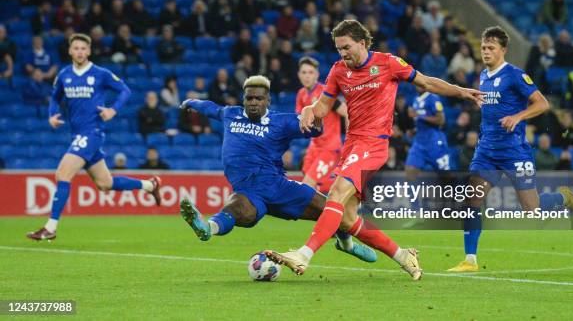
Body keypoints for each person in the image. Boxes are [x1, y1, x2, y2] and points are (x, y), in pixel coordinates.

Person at [265, 19, 485, 280]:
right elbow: (323, 107)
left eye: (346, 47)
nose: (342, 53)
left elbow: (425, 83)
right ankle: (403, 255)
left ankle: (303, 254)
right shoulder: (337, 71)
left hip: (374, 144)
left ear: (361, 42)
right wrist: (310, 110)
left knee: (335, 194)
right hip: (352, 146)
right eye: (338, 49)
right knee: (346, 219)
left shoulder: (388, 63)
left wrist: (460, 91)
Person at [178, 75, 376, 264]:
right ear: (244, 99)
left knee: (333, 211)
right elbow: (211, 108)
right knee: (236, 209)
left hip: (279, 188)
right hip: (248, 191)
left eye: (259, 98)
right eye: (249, 98)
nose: (253, 102)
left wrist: (317, 120)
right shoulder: (231, 114)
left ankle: (346, 245)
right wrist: (191, 102)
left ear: (268, 101)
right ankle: (207, 228)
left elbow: (314, 129)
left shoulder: (281, 122)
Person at [447, 26, 573, 272]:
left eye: (491, 48)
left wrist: (518, 116)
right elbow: (492, 107)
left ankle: (564, 197)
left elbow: (542, 103)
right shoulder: (484, 76)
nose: (486, 52)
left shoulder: (515, 75)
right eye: (483, 47)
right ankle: (470, 260)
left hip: (515, 151)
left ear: (503, 50)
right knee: (471, 200)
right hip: (487, 151)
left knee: (532, 209)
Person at [26, 33, 161, 241]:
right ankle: (149, 185)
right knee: (105, 183)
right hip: (78, 134)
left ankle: (50, 227)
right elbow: (55, 97)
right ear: (70, 51)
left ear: (88, 51)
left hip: (92, 133)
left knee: (62, 173)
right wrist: (51, 114)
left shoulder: (100, 74)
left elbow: (125, 91)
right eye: (76, 48)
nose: (79, 51)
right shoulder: (64, 75)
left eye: (83, 48)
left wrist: (113, 110)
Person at [295, 57, 347, 194]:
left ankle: (349, 192)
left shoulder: (325, 93)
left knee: (307, 185)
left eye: (310, 72)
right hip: (314, 147)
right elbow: (300, 118)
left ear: (317, 74)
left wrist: (350, 139)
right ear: (299, 75)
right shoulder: (301, 94)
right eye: (304, 72)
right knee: (311, 185)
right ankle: (343, 192)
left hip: (329, 148)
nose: (307, 76)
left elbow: (347, 112)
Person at [405, 86, 450, 180]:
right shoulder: (415, 99)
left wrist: (419, 115)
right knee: (410, 171)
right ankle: (411, 194)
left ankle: (455, 193)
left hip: (434, 142)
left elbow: (441, 120)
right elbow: (420, 122)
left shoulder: (433, 98)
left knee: (445, 177)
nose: (418, 85)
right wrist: (414, 131)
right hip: (419, 142)